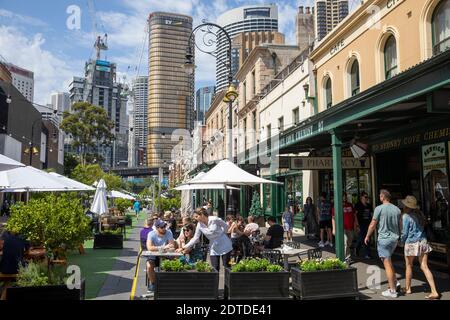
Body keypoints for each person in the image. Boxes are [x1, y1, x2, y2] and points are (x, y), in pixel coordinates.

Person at [400, 196, 440, 299]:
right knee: (424, 266)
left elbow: (405, 233)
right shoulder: (420, 215)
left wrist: (401, 242)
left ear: (406, 206)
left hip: (411, 243)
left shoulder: (406, 216)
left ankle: (408, 288)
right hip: (422, 242)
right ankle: (434, 291)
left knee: (409, 265)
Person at [365, 189, 401, 298]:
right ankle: (395, 282)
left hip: (384, 239)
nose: (379, 198)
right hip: (394, 239)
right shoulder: (397, 209)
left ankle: (393, 291)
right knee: (388, 261)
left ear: (382, 197)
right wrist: (401, 238)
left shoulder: (379, 208)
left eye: (380, 196)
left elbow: (373, 224)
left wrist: (367, 236)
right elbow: (401, 226)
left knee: (386, 264)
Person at [181, 207, 232, 273]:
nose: (195, 219)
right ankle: (215, 283)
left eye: (196, 216)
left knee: (227, 267)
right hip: (213, 247)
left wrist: (222, 234)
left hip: (224, 245)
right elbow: (196, 238)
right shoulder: (199, 225)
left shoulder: (214, 219)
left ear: (202, 214)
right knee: (214, 269)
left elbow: (226, 227)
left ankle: (227, 283)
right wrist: (184, 247)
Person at [146, 220, 175, 293]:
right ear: (157, 228)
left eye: (165, 226)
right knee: (149, 266)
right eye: (162, 227)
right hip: (153, 256)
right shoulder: (151, 234)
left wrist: (169, 247)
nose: (164, 228)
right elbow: (149, 247)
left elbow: (172, 246)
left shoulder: (168, 233)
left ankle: (166, 284)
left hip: (165, 255)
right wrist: (163, 247)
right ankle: (153, 283)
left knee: (172, 265)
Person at [332, 192, 359, 263]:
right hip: (342, 228)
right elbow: (333, 218)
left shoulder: (350, 205)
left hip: (350, 227)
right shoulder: (337, 205)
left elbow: (354, 215)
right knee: (346, 241)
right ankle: (347, 258)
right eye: (343, 196)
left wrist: (356, 224)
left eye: (345, 196)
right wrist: (334, 229)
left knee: (349, 242)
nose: (344, 197)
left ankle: (344, 254)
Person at [354, 192, 373, 259]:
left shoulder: (369, 205)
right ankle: (357, 247)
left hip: (368, 224)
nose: (366, 198)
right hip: (361, 224)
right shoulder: (358, 205)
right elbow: (355, 215)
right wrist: (357, 225)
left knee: (367, 238)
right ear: (361, 197)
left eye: (367, 197)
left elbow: (371, 215)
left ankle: (367, 254)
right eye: (365, 197)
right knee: (361, 238)